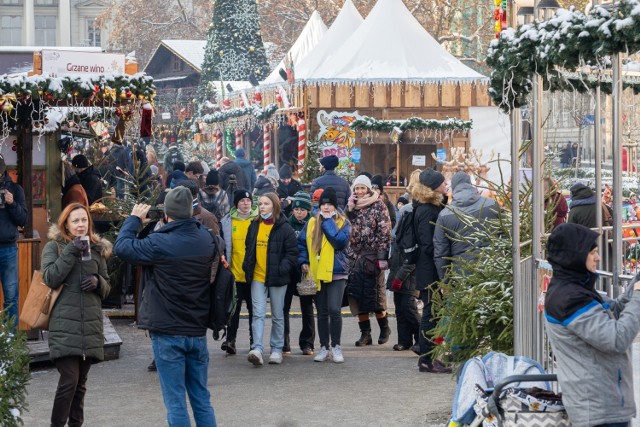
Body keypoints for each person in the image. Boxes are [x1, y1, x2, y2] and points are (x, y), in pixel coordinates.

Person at [114, 187, 217, 426]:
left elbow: (122, 247)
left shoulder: (159, 243)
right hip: (197, 331)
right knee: (201, 398)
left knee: (175, 401)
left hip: (167, 332)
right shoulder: (207, 239)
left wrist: (134, 220)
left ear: (167, 213)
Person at [545, 223, 640, 427]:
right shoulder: (570, 299)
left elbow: (614, 310)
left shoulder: (574, 289)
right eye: (593, 252)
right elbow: (617, 339)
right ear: (574, 256)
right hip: (598, 410)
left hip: (604, 403)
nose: (598, 257)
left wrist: (636, 282)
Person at [41, 203, 111, 427]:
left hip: (89, 326)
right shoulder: (55, 247)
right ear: (66, 224)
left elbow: (107, 286)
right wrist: (72, 250)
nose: (81, 225)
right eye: (76, 221)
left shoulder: (98, 249)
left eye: (84, 220)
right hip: (64, 325)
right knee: (69, 380)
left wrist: (98, 282)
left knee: (80, 383)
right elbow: (50, 278)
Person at [243, 193, 298, 365]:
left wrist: (282, 269)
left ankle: (276, 349)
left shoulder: (285, 228)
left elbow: (292, 253)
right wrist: (247, 266)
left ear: (274, 206)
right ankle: (257, 348)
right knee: (258, 314)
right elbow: (248, 247)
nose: (262, 207)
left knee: (277, 315)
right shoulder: (254, 225)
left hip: (277, 277)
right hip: (258, 276)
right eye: (260, 204)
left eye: (266, 204)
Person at [298, 188, 350, 363]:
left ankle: (336, 346)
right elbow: (302, 243)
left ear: (335, 206)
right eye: (323, 204)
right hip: (317, 271)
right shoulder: (312, 222)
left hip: (337, 271)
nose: (326, 207)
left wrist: (328, 222)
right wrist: (303, 260)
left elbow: (339, 242)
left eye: (329, 204)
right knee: (321, 311)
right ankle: (323, 346)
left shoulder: (343, 222)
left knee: (334, 310)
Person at [412, 169, 452, 373]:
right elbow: (429, 244)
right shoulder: (428, 210)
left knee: (435, 314)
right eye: (443, 183)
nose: (446, 185)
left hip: (430, 269)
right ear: (433, 187)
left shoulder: (431, 206)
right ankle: (427, 359)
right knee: (431, 314)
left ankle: (431, 355)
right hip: (430, 271)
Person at [346, 174, 392, 347]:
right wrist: (348, 209)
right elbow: (344, 226)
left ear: (368, 188)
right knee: (357, 297)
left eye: (362, 188)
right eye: (356, 188)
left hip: (372, 257)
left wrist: (381, 256)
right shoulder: (352, 206)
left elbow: (385, 230)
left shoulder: (378, 205)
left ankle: (384, 328)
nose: (359, 191)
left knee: (376, 297)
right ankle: (365, 334)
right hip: (355, 257)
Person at [433, 171, 501, 281]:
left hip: (461, 275)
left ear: (453, 188)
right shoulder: (491, 204)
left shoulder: (445, 215)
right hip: (492, 271)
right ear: (471, 184)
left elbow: (441, 252)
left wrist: (445, 281)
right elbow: (506, 233)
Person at [220, 190, 259, 355]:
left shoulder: (258, 220)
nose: (245, 203)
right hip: (234, 273)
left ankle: (254, 342)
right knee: (233, 310)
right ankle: (230, 340)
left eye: (248, 200)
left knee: (254, 311)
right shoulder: (227, 222)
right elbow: (223, 244)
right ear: (236, 203)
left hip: (254, 274)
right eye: (242, 201)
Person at [284, 191, 315, 355]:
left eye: (302, 210)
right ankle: (284, 343)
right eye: (296, 210)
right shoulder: (286, 224)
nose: (299, 213)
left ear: (308, 210)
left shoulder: (313, 224)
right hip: (289, 271)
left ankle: (307, 343)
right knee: (284, 307)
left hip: (306, 270)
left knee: (307, 307)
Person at [0, 155, 27, 325]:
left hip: (8, 249)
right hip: (8, 249)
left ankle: (10, 344)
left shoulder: (16, 190)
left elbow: (23, 219)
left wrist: (12, 203)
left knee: (11, 297)